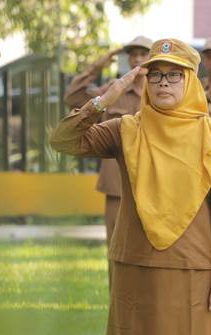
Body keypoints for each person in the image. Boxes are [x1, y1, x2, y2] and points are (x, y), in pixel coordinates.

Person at [50, 38, 211, 335]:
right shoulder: (126, 129)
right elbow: (62, 141)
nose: (163, 82)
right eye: (155, 74)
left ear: (190, 80)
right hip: (135, 262)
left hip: (192, 266)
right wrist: (105, 100)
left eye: (173, 74)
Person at [63, 35, 152, 286]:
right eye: (132, 54)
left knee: (151, 247)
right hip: (116, 185)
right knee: (115, 247)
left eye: (142, 54)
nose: (136, 59)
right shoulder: (114, 89)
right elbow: (74, 98)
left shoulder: (160, 91)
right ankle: (118, 301)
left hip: (151, 182)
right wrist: (97, 66)